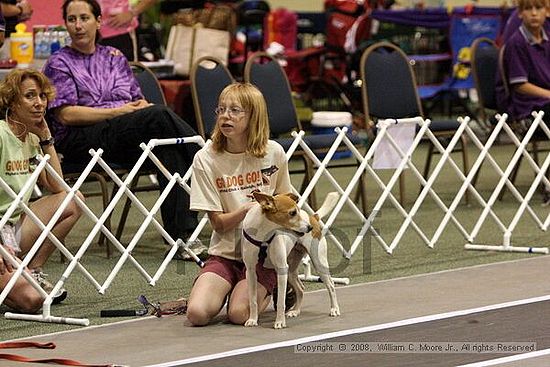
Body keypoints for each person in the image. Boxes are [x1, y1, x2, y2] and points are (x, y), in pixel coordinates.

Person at [43, 0, 199, 245]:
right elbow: (66, 115)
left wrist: (138, 109)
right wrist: (118, 112)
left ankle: (182, 238)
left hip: (122, 134)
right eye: (72, 20)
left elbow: (138, 101)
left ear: (98, 21)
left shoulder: (114, 56)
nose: (78, 26)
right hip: (82, 140)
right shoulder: (59, 62)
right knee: (158, 115)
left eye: (84, 18)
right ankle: (207, 160)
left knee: (169, 148)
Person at [186, 83, 293, 326]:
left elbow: (286, 208)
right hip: (225, 253)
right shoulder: (206, 158)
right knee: (197, 313)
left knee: (239, 314)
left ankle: (274, 287)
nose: (226, 116)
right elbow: (218, 224)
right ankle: (228, 286)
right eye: (221, 109)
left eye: (235, 111)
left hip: (263, 254)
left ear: (253, 116)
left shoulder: (273, 152)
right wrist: (247, 211)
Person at [0, 69, 83, 312]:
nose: (39, 103)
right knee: (32, 301)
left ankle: (32, 270)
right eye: (29, 96)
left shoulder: (32, 139)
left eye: (42, 96)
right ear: (13, 102)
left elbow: (58, 187)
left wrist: (46, 138)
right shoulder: (1, 134)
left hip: (13, 226)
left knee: (73, 200)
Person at [497, 0, 550, 204]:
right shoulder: (516, 43)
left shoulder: (547, 40)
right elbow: (520, 85)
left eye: (538, 8)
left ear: (546, 12)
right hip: (528, 110)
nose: (534, 14)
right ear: (520, 14)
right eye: (528, 9)